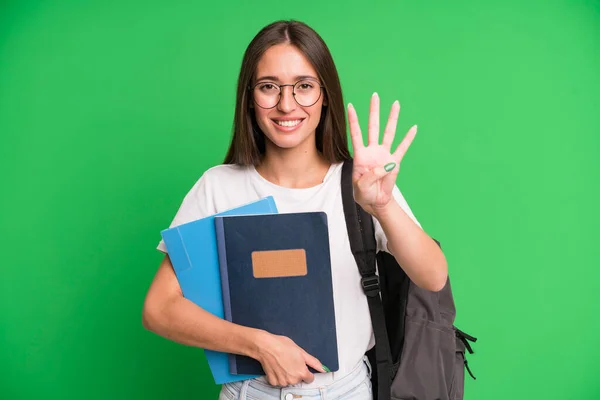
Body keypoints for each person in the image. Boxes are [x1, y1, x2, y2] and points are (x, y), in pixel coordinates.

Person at [142, 19, 448, 400]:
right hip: (250, 392)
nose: (287, 105)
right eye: (269, 87)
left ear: (324, 95)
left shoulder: (361, 182)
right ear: (250, 97)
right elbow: (159, 308)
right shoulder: (219, 186)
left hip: (347, 390)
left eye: (304, 86)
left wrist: (382, 206)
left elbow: (433, 276)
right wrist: (259, 345)